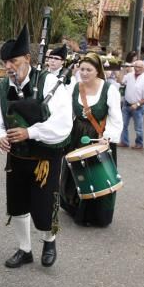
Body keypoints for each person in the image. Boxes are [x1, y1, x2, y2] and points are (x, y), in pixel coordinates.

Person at [0, 24, 72, 269]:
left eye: (13, 61)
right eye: (5, 62)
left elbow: (64, 124)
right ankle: (25, 249)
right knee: (18, 204)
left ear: (27, 58)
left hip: (45, 159)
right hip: (17, 159)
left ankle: (49, 240)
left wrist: (30, 132)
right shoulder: (3, 88)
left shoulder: (48, 83)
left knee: (44, 207)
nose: (9, 66)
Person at [60, 53, 123, 227]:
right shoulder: (74, 87)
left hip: (99, 137)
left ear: (98, 71)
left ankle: (97, 216)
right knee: (75, 173)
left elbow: (116, 118)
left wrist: (107, 137)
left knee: (96, 175)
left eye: (89, 69)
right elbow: (67, 112)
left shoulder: (109, 89)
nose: (85, 73)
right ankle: (74, 208)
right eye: (82, 69)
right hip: (77, 134)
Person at [119, 60, 144, 149]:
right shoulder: (130, 76)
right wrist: (123, 69)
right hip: (127, 104)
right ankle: (124, 142)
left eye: (139, 67)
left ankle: (139, 143)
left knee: (138, 128)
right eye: (135, 67)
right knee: (123, 125)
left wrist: (137, 104)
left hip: (138, 107)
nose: (137, 69)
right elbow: (119, 80)